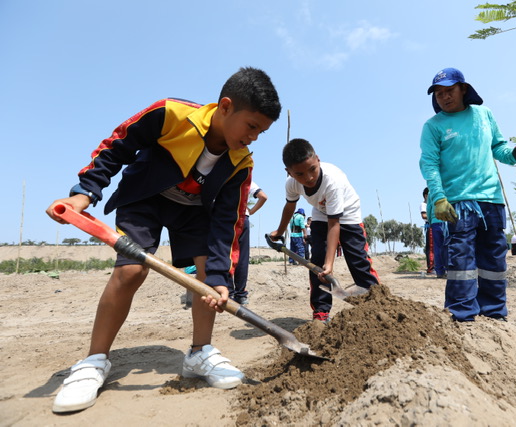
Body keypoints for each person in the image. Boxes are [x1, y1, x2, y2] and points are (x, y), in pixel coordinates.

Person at [45, 67, 281, 413]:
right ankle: (93, 362)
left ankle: (200, 353)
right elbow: (116, 147)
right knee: (131, 271)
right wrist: (85, 192)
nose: (255, 138)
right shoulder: (170, 114)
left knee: (207, 282)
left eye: (261, 132)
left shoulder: (240, 162)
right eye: (252, 127)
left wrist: (218, 278)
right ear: (226, 106)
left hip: (195, 212)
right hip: (146, 198)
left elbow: (227, 222)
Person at [419, 67, 516, 322]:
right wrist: (438, 197)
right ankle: (462, 312)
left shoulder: (484, 114)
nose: (444, 97)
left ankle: (493, 311)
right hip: (457, 203)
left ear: (464, 90)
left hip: (491, 199)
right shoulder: (433, 127)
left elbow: (499, 146)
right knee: (462, 260)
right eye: (438, 94)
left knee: (493, 257)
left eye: (449, 91)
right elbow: (429, 164)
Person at [270, 138, 379, 323]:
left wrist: (331, 265)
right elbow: (289, 207)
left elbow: (334, 224)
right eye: (300, 174)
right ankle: (321, 311)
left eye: (312, 169)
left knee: (358, 260)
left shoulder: (332, 181)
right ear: (289, 172)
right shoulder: (291, 183)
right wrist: (279, 232)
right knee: (317, 262)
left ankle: (377, 302)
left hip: (348, 216)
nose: (308, 178)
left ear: (318, 159)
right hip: (321, 214)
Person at [230, 181, 268, 305]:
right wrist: (251, 211)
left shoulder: (221, 174)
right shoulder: (246, 178)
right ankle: (240, 294)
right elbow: (263, 196)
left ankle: (228, 292)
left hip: (224, 217)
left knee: (226, 253)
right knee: (242, 255)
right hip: (242, 216)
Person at [421, 187, 447, 278]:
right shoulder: (447, 189)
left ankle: (440, 271)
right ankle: (448, 269)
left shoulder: (432, 193)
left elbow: (429, 208)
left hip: (435, 223)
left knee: (437, 247)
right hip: (446, 221)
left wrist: (431, 221)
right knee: (447, 246)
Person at [420, 188, 435, 274]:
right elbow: (424, 215)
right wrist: (433, 215)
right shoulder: (424, 204)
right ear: (426, 196)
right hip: (430, 226)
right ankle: (431, 267)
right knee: (431, 247)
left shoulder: (432, 204)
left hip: (435, 225)